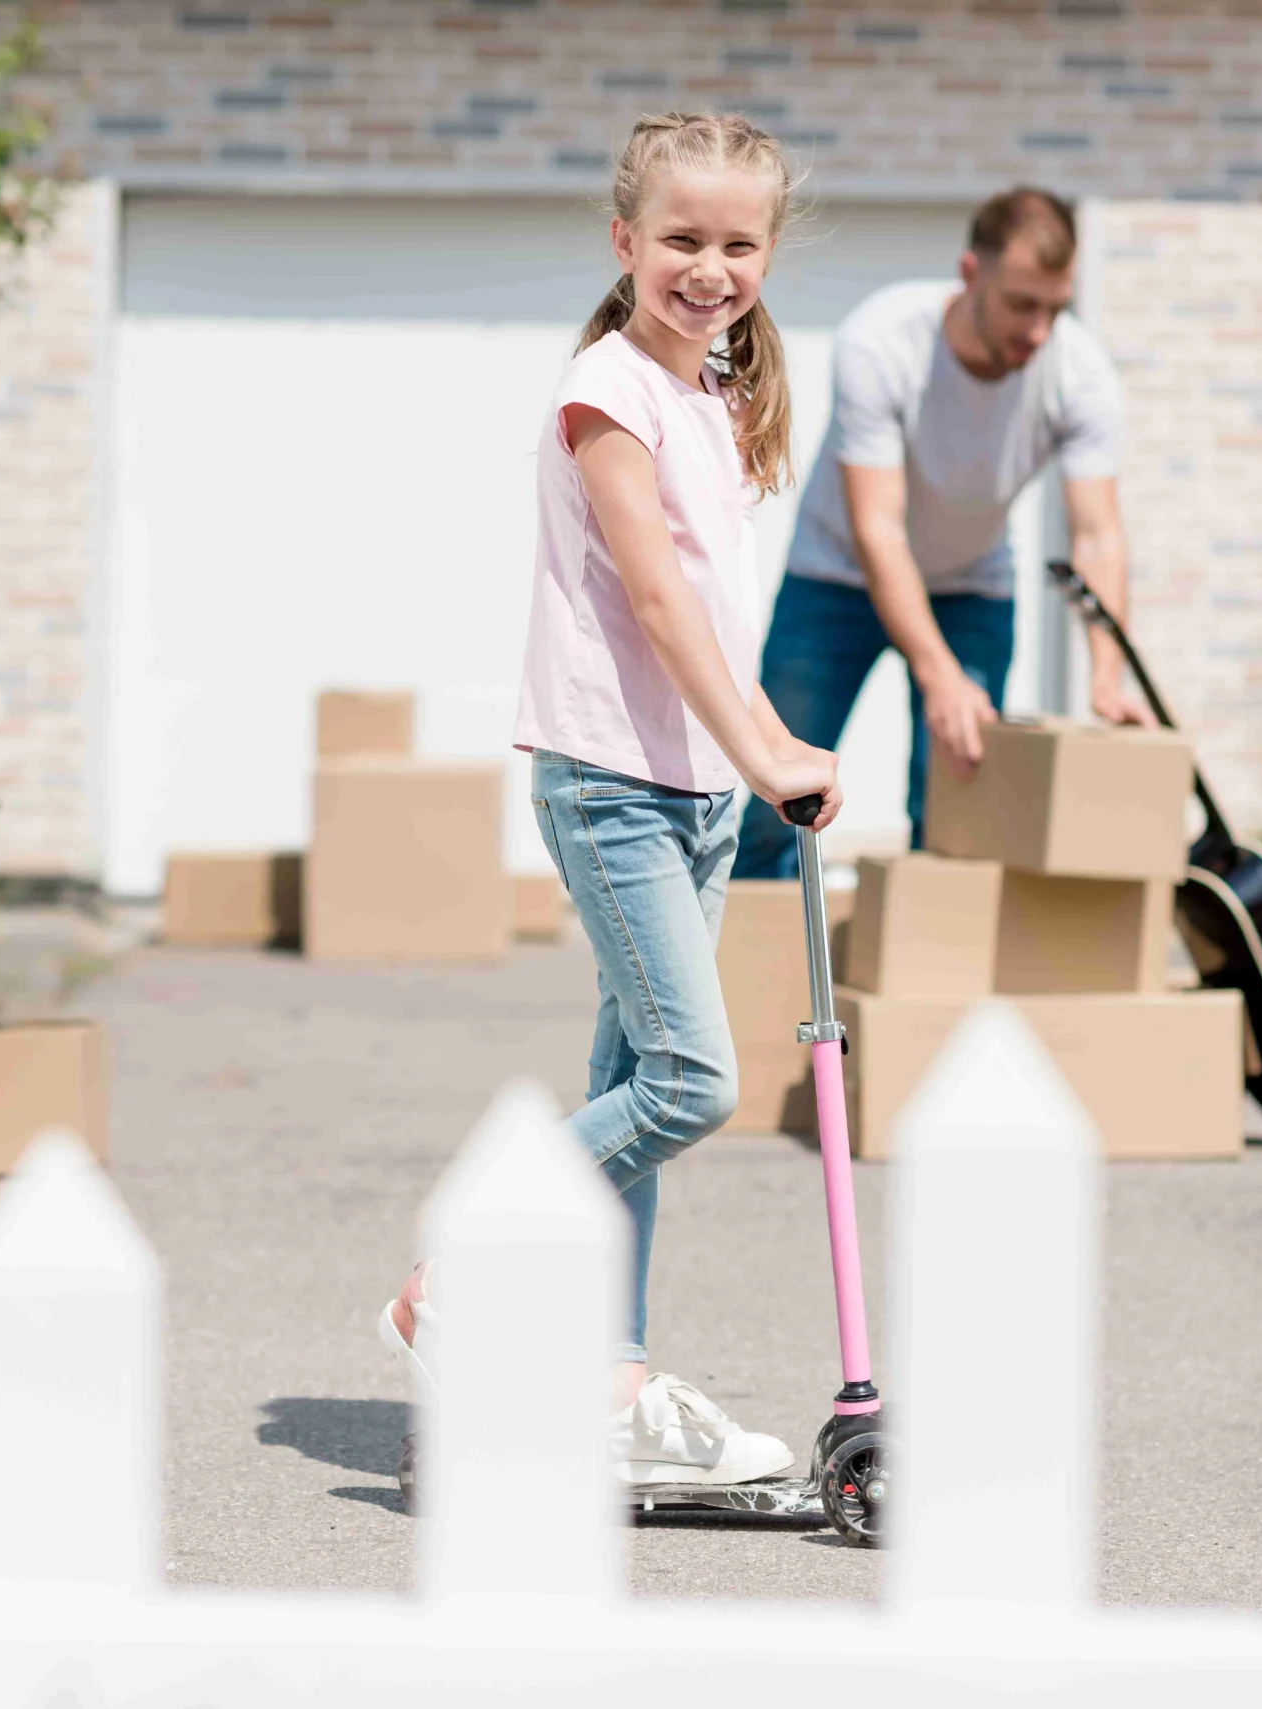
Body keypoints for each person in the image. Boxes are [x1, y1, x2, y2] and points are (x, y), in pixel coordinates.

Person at [377, 113, 843, 1488]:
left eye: (738, 242)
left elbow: (712, 610)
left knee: (632, 1085)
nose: (710, 267)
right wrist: (764, 758)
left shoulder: (712, 394)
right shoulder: (609, 391)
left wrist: (767, 745)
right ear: (626, 242)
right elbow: (650, 598)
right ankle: (445, 1283)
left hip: (694, 790)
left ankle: (610, 1379)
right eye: (683, 239)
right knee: (693, 1081)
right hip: (613, 781)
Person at [732, 187, 1148, 880]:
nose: (1039, 330)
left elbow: (1098, 535)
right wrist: (939, 675)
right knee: (774, 787)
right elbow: (879, 527)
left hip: (970, 587)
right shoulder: (883, 340)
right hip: (836, 578)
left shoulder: (1082, 375)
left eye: (1055, 306)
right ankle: (751, 967)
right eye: (1021, 303)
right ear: (969, 273)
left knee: (956, 806)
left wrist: (1106, 672)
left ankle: (924, 978)